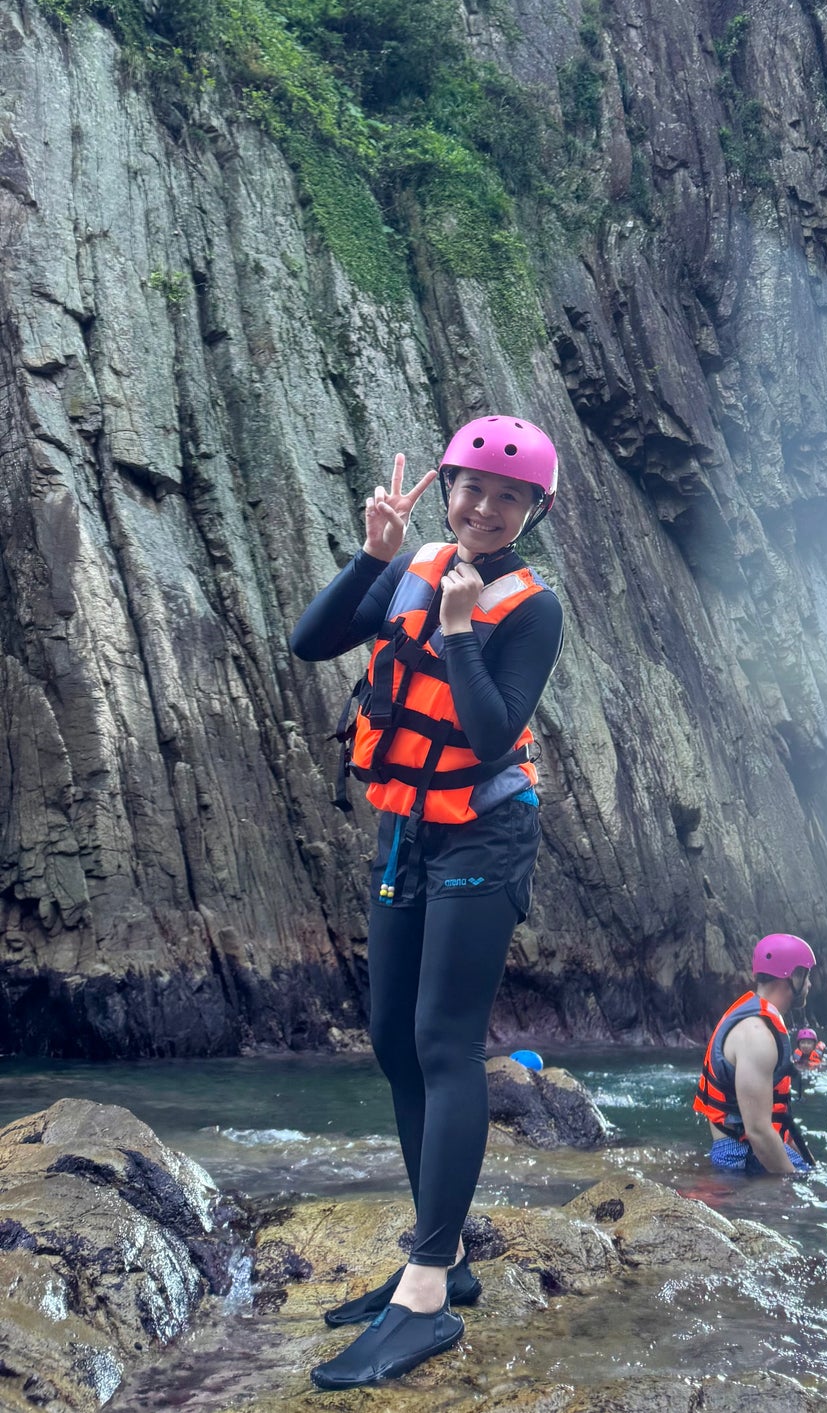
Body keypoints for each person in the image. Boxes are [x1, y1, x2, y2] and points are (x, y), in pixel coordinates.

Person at [290, 416, 564, 1388]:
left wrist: (455, 633)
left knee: (445, 1041)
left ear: (532, 509)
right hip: (408, 823)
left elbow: (491, 733)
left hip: (485, 828)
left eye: (505, 497)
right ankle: (438, 1249)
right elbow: (309, 640)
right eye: (467, 488)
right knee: (389, 1035)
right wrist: (372, 559)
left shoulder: (532, 608)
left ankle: (425, 1294)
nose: (481, 509)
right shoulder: (415, 563)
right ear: (444, 485)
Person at [694, 934, 819, 1175]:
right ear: (793, 976)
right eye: (806, 976)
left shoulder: (757, 1017)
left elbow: (775, 1119)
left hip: (749, 1150)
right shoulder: (757, 1035)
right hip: (737, 1158)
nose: (809, 985)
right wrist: (794, 1185)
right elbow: (758, 1132)